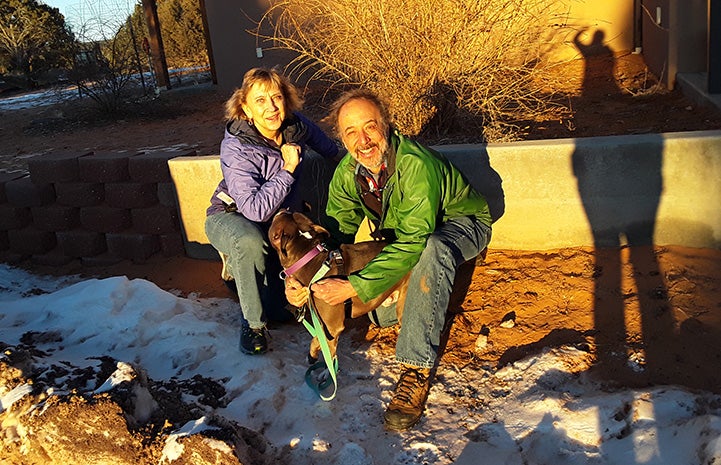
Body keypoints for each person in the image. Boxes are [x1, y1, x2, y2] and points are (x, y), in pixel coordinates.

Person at [285, 89, 492, 430]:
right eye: (351, 132)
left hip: (460, 224)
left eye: (370, 127)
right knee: (380, 316)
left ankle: (415, 367)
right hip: (408, 232)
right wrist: (304, 285)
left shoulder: (415, 165)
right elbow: (335, 239)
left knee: (431, 250)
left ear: (386, 125)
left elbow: (413, 243)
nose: (362, 140)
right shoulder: (349, 172)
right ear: (342, 137)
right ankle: (415, 300)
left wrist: (354, 285)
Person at [205, 67, 339, 356]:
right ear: (246, 108)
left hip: (274, 224)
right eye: (261, 100)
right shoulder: (236, 147)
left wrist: (351, 162)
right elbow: (253, 210)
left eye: (277, 97)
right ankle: (252, 325)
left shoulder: (296, 127)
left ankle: (248, 285)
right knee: (249, 243)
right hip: (231, 218)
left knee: (281, 311)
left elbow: (329, 148)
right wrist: (288, 169)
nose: (271, 107)